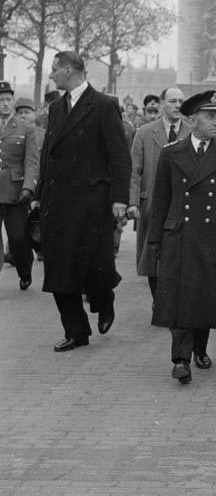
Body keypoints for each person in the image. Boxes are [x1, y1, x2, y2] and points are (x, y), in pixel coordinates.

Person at [148, 90, 216, 384]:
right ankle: (180, 359)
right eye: (209, 116)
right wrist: (155, 239)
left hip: (214, 235)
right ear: (192, 119)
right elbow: (161, 199)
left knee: (205, 295)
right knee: (182, 297)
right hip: (180, 234)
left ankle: (200, 348)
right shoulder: (171, 153)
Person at [35, 51, 131, 352]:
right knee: (59, 269)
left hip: (91, 200)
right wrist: (39, 198)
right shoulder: (56, 108)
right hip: (58, 200)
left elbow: (119, 157)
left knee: (95, 265)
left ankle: (105, 299)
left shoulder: (103, 106)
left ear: (69, 70)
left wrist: (119, 199)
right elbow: (47, 154)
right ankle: (76, 331)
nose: (51, 75)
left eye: (54, 70)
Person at [128, 87, 189, 302]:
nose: (177, 105)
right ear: (162, 103)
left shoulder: (191, 132)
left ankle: (175, 300)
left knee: (180, 254)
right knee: (152, 253)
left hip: (183, 204)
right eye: (172, 101)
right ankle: (159, 301)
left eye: (181, 101)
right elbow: (135, 170)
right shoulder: (145, 132)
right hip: (152, 203)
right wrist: (133, 202)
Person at [0, 82, 39, 290]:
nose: (5, 104)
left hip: (16, 191)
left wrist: (28, 187)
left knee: (17, 237)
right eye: (1, 100)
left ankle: (24, 270)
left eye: (8, 100)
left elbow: (31, 161)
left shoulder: (26, 128)